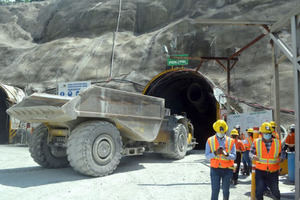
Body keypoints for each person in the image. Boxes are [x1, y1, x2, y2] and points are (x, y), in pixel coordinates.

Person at [249, 122, 285, 200]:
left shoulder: (277, 142)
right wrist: (253, 156)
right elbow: (251, 152)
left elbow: (282, 153)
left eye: (268, 133)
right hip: (260, 171)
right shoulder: (256, 142)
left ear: (271, 133)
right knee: (259, 192)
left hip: (273, 171)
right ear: (261, 133)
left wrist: (282, 157)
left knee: (275, 191)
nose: (267, 134)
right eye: (265, 133)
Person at [205, 120, 236, 200]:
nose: (221, 133)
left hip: (227, 169)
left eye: (222, 131)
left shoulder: (231, 141)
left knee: (226, 191)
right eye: (219, 131)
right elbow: (207, 156)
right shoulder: (210, 140)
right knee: (215, 190)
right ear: (216, 130)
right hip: (215, 169)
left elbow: (234, 156)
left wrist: (227, 155)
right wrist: (215, 153)